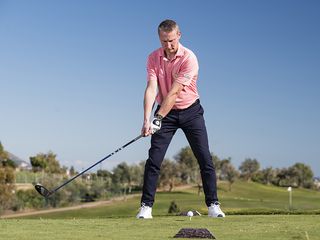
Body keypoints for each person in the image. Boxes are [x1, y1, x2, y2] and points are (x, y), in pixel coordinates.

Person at [136, 19, 225, 219]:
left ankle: (213, 205)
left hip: (191, 111)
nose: (168, 45)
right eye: (163, 41)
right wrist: (145, 119)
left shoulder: (189, 58)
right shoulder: (153, 58)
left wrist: (157, 117)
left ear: (179, 36)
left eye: (171, 41)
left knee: (204, 158)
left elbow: (174, 92)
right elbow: (151, 88)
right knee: (154, 159)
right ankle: (146, 207)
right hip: (165, 115)